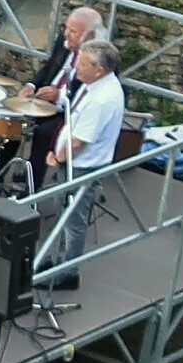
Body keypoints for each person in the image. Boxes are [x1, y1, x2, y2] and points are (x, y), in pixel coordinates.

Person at [39, 34, 127, 272]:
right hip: (76, 163)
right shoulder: (95, 86)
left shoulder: (101, 99)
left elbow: (79, 141)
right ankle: (57, 260)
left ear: (98, 70)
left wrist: (57, 158)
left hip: (81, 166)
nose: (76, 66)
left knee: (73, 219)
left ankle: (68, 271)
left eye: (82, 63)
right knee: (64, 214)